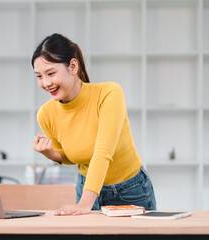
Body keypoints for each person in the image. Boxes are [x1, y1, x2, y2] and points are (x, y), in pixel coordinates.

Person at [32, 33, 156, 216]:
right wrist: (51, 154)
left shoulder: (108, 93)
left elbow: (103, 152)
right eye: (39, 76)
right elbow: (72, 156)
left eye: (51, 73)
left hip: (129, 190)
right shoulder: (46, 114)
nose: (46, 83)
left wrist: (84, 203)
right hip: (86, 189)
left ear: (73, 66)